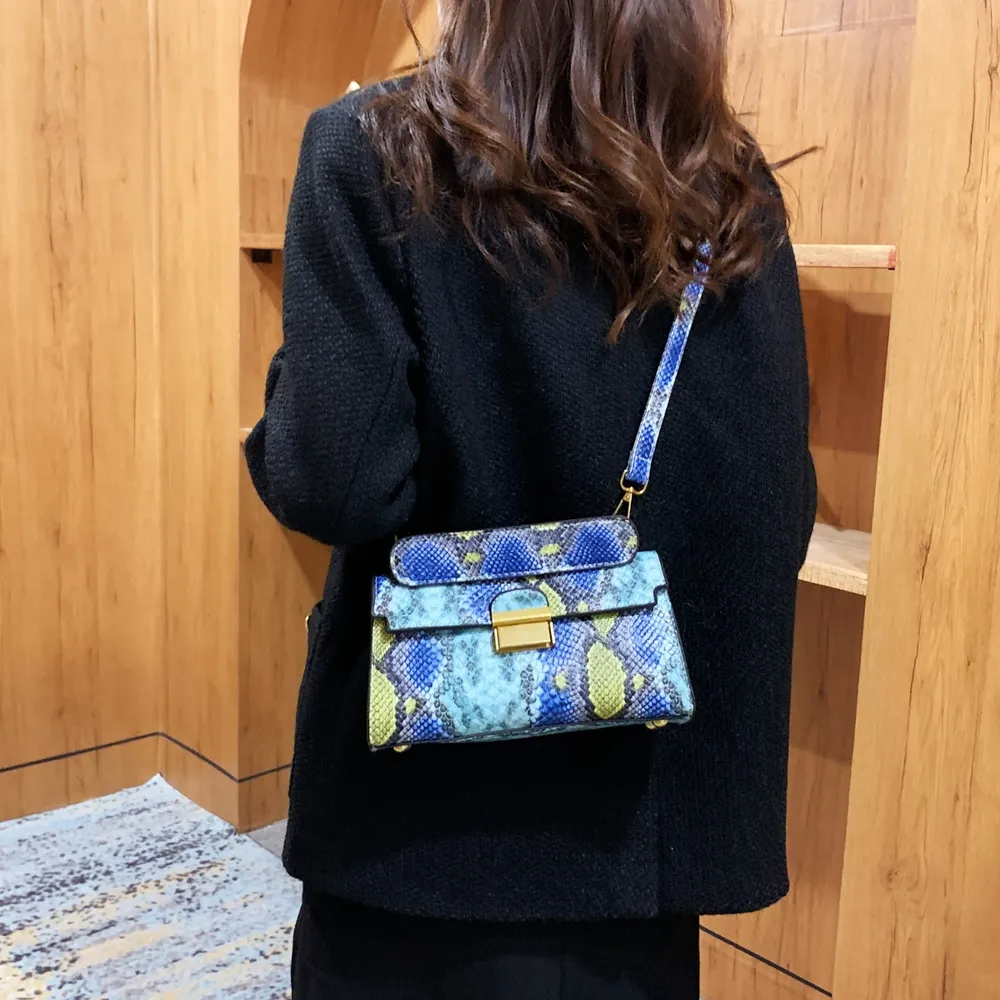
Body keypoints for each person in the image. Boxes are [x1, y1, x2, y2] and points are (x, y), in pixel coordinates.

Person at [245, 0, 816, 996]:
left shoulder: (374, 151)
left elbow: (335, 481)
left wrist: (283, 414)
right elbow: (773, 503)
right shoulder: (727, 186)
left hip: (414, 838)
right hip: (633, 848)